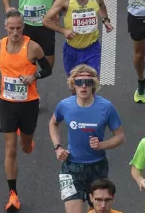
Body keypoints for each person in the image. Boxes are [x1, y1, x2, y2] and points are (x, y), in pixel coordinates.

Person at [0, 9, 55, 212]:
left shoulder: (33, 48)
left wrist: (34, 77)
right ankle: (13, 194)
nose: (15, 32)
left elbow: (48, 70)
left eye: (18, 28)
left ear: (23, 28)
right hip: (7, 103)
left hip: (28, 103)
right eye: (11, 28)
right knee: (11, 149)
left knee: (25, 147)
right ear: (5, 27)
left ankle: (27, 140)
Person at [49, 65, 127, 213]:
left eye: (88, 82)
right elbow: (53, 123)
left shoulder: (106, 107)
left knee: (97, 211)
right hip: (71, 167)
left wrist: (101, 145)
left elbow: (120, 137)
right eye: (79, 82)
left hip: (97, 167)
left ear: (94, 85)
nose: (83, 86)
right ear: (73, 84)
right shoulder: (65, 105)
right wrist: (57, 147)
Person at [44, 0, 114, 74]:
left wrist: (106, 20)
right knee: (74, 84)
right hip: (72, 50)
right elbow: (46, 20)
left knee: (91, 82)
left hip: (92, 49)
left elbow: (101, 6)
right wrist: (64, 30)